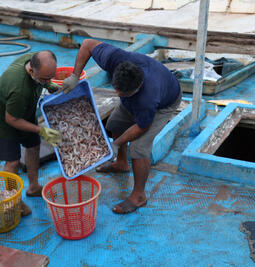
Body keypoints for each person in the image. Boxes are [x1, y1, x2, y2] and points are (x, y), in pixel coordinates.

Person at [61, 39, 181, 214]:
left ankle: (139, 195)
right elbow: (87, 44)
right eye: (115, 89)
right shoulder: (115, 58)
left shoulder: (147, 98)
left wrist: (116, 144)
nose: (117, 94)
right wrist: (74, 76)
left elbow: (142, 127)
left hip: (166, 102)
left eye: (122, 93)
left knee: (139, 148)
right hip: (137, 96)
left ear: (137, 88)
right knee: (114, 123)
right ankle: (121, 163)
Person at [0, 50, 62, 216]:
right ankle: (14, 202)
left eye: (51, 76)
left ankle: (34, 186)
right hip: (4, 120)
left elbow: (44, 81)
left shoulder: (30, 62)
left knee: (34, 145)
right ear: (31, 71)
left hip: (25, 110)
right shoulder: (19, 89)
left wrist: (49, 85)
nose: (48, 80)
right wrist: (41, 130)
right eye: (45, 79)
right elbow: (12, 119)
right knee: (13, 162)